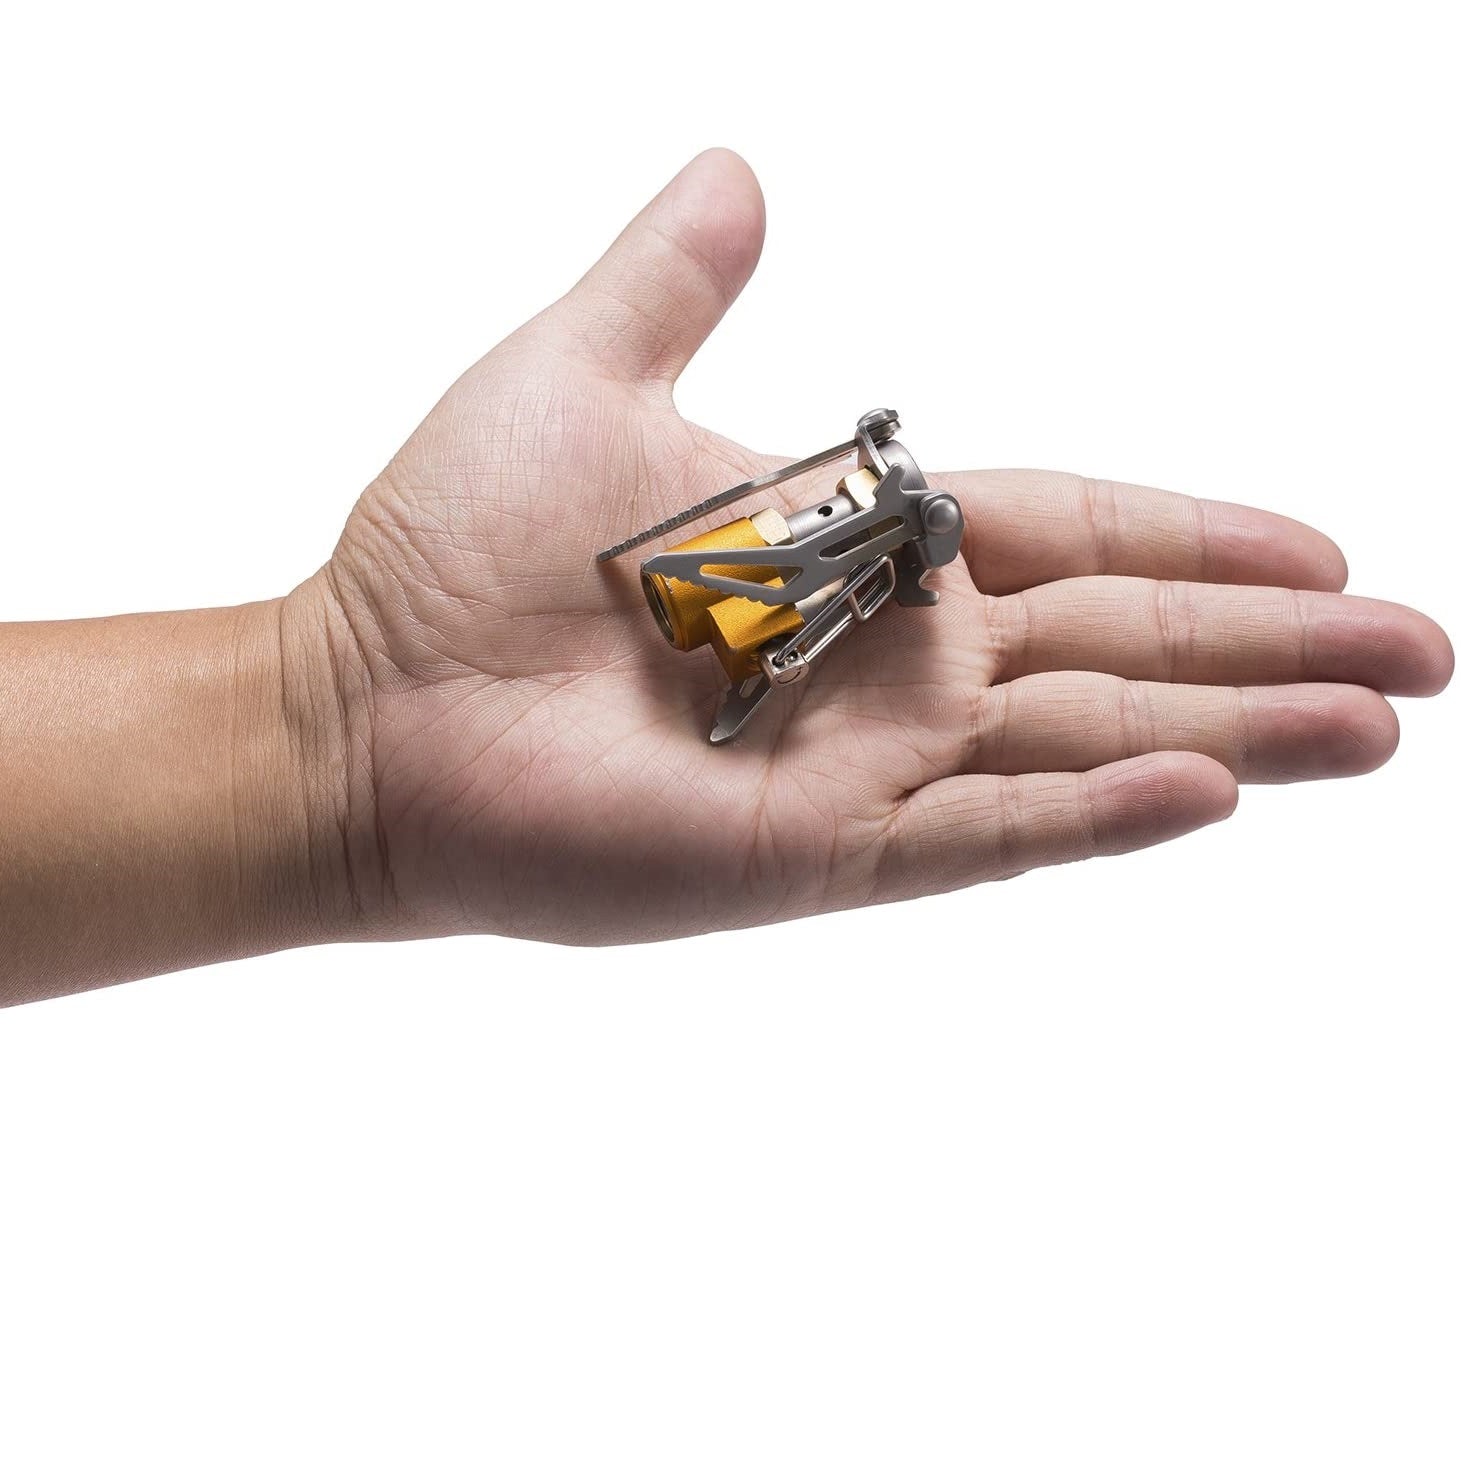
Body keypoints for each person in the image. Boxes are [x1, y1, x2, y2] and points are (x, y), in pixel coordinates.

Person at [0, 150, 1454, 1007]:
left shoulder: (874, 545)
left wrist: (335, 742)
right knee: (760, 594)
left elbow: (866, 561)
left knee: (781, 598)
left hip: (802, 589)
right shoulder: (844, 533)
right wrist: (342, 723)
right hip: (777, 582)